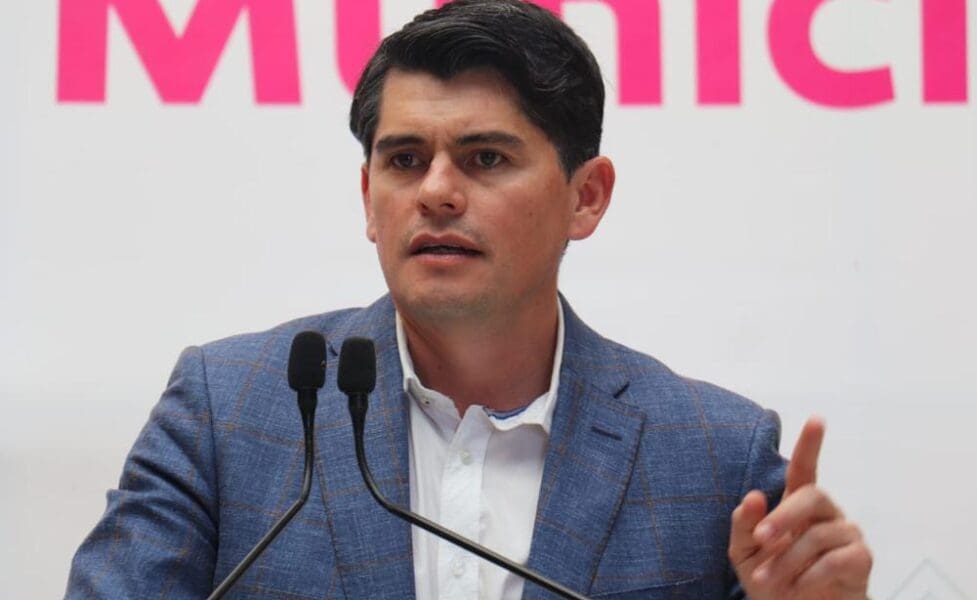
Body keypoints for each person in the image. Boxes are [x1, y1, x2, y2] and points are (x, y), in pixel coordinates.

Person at [66, 1, 872, 598]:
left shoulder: (715, 456)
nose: (437, 192)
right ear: (367, 197)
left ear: (586, 197)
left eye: (486, 158)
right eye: (405, 160)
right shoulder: (228, 413)